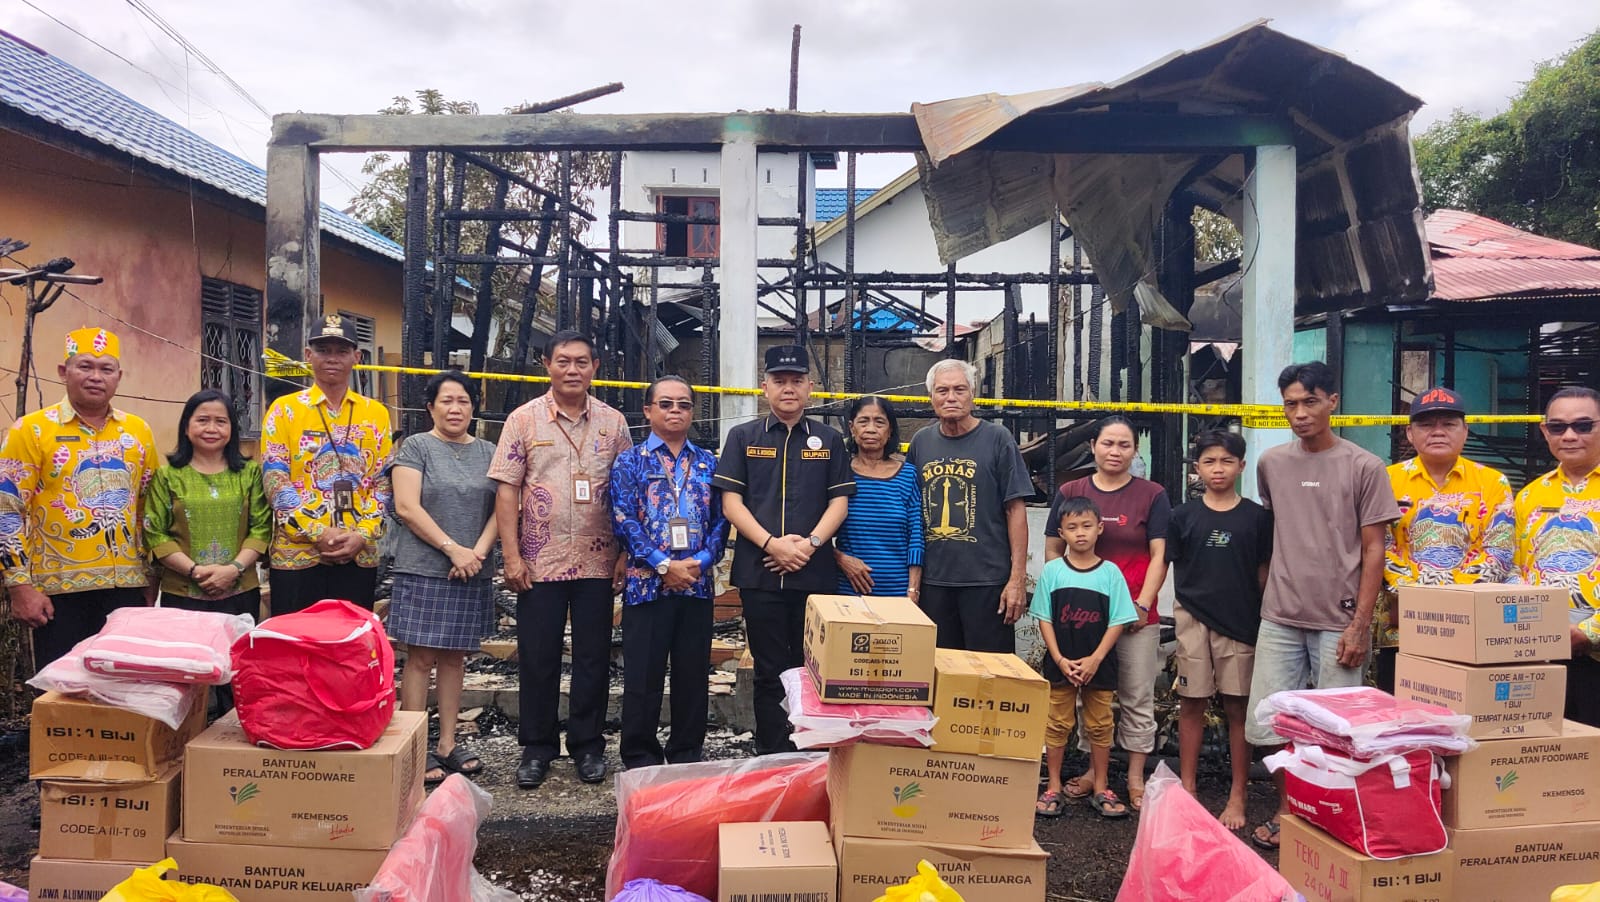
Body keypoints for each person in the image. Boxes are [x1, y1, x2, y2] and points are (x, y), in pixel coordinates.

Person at [1247, 361, 1400, 850]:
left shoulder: (1364, 466)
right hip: (1280, 616)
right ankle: (1289, 809)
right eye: (1290, 404)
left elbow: (1374, 549)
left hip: (1339, 620)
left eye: (1310, 401)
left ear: (1333, 401)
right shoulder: (1271, 463)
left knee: (1338, 732)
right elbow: (1276, 529)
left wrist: (1360, 624)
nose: (1300, 413)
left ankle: (1331, 817)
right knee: (1272, 724)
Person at [490, 330, 632, 789]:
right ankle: (537, 747)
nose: (573, 370)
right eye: (564, 361)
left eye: (582, 362)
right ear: (547, 365)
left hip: (598, 559)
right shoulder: (523, 420)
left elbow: (628, 493)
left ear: (595, 368)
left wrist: (625, 553)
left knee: (593, 656)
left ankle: (588, 745)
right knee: (538, 656)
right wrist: (512, 556)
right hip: (539, 561)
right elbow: (507, 490)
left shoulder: (613, 423)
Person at [713, 344, 854, 755]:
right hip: (760, 573)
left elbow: (839, 502)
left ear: (810, 387)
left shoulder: (830, 440)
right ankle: (773, 755)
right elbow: (731, 504)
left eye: (796, 381)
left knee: (812, 667)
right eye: (779, 381)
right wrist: (772, 544)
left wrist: (810, 545)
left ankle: (811, 752)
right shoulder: (743, 437)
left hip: (813, 573)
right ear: (765, 387)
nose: (788, 388)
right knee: (769, 669)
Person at [0, 328, 157, 667]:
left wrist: (151, 577)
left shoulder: (138, 432)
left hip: (127, 587)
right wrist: (19, 586)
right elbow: (6, 509)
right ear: (63, 371)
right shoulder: (32, 430)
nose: (96, 376)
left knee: (125, 683)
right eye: (85, 366)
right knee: (62, 686)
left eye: (106, 368)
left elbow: (148, 508)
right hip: (57, 592)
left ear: (119, 376)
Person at [1044, 416, 1170, 812]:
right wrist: (1062, 595)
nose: (1115, 452)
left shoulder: (1152, 494)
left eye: (1124, 445)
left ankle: (1134, 776)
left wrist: (1142, 604)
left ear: (1135, 450)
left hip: (1134, 617)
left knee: (1135, 696)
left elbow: (1159, 555)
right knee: (1089, 697)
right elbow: (1052, 549)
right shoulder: (1071, 491)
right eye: (1108, 443)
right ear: (1093, 446)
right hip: (1081, 619)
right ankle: (1091, 773)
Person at [610, 376, 729, 769]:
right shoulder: (630, 461)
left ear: (692, 412)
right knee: (643, 675)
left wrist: (702, 562)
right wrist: (663, 564)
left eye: (683, 404)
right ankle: (640, 757)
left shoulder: (709, 462)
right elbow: (623, 518)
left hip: (696, 584)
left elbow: (721, 520)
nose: (675, 410)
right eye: (665, 403)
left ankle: (686, 754)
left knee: (692, 675)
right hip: (647, 585)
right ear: (648, 410)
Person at [387, 372, 498, 784]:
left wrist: (476, 553)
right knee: (419, 659)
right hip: (425, 566)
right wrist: (453, 549)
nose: (455, 408)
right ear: (430, 407)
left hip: (472, 568)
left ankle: (448, 743)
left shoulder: (489, 451)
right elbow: (407, 507)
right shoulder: (416, 447)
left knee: (455, 657)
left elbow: (504, 508)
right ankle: (415, 747)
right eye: (447, 401)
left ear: (473, 407)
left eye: (463, 401)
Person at [1166, 429, 1272, 830]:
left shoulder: (1257, 518)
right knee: (1191, 702)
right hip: (1192, 618)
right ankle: (1188, 789)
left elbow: (1263, 573)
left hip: (1240, 622)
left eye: (1227, 461)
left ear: (1241, 466)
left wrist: (1266, 618)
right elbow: (1168, 563)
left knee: (1237, 708)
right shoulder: (1182, 516)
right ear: (1197, 468)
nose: (1218, 469)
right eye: (1209, 461)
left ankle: (1238, 794)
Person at [143, 390, 270, 714]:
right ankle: (186, 739)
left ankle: (232, 738)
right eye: (202, 420)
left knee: (237, 673)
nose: (211, 428)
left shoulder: (249, 474)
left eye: (220, 421)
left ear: (232, 429)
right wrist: (195, 570)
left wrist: (233, 569)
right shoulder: (168, 476)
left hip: (239, 590)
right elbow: (154, 531)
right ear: (187, 427)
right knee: (187, 675)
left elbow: (261, 527)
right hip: (183, 591)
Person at [1379, 386, 1513, 692]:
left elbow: (1499, 551)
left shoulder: (1493, 482)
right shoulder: (1386, 480)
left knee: (1462, 709)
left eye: (1449, 424)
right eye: (1426, 424)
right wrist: (1417, 597)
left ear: (1465, 431)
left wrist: (1450, 600)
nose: (1437, 432)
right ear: (1410, 433)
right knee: (1400, 712)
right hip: (1403, 625)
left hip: (1470, 626)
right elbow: (1380, 547)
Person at [261, 314, 393, 613]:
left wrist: (362, 534)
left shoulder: (376, 414)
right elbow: (275, 479)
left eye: (342, 351)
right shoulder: (284, 410)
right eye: (323, 350)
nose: (332, 358)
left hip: (358, 553)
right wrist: (317, 532)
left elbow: (383, 482)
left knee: (348, 638)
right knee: (295, 637)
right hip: (297, 554)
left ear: (357, 357)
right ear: (309, 355)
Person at [909, 359, 1032, 653]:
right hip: (934, 582)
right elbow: (911, 511)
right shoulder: (921, 442)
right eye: (942, 391)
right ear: (931, 397)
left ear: (972, 394)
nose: (951, 397)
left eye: (959, 389)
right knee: (938, 669)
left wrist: (1017, 579)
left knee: (990, 671)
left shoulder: (998, 439)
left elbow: (1015, 510)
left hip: (987, 581)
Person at [1031, 496, 1137, 820]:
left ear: (1100, 528)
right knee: (1057, 722)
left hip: (1099, 665)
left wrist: (1095, 659)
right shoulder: (1052, 572)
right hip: (1060, 664)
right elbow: (1044, 618)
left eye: (1087, 526)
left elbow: (1118, 621)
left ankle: (1101, 785)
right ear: (1061, 532)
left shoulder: (1110, 573)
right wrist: (1059, 658)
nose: (1080, 533)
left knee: (1101, 724)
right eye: (1072, 527)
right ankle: (1053, 785)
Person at [1513, 386, 1600, 728]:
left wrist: (1589, 632)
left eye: (1583, 425)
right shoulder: (1529, 496)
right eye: (1558, 426)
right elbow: (1515, 570)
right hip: (1542, 658)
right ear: (1544, 431)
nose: (1569, 436)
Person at [834, 396, 923, 598]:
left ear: (890, 430)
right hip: (849, 592)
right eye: (863, 421)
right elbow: (818, 530)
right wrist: (840, 559)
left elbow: (916, 536)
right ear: (852, 428)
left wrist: (913, 589)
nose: (871, 429)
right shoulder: (840, 473)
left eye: (880, 422)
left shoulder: (908, 475)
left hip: (898, 592)